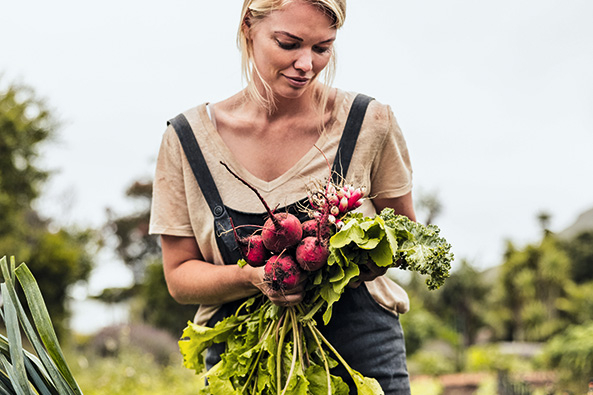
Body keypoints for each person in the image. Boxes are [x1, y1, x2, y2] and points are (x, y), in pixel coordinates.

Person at [149, 0, 416, 393]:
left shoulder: (369, 122)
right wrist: (255, 277)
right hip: (244, 366)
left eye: (322, 48)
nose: (306, 64)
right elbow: (179, 276)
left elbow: (403, 236)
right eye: (289, 44)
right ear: (248, 28)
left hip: (360, 358)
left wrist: (347, 262)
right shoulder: (188, 140)